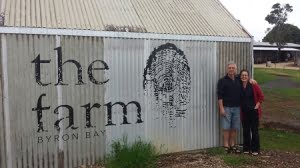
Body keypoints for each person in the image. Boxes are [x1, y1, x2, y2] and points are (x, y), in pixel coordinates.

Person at [217, 62, 242, 153]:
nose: (231, 69)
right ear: (227, 69)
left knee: (234, 127)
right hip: (226, 108)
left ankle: (232, 144)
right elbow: (220, 96)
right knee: (226, 127)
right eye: (230, 68)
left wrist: (252, 80)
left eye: (233, 68)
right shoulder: (222, 81)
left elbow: (247, 79)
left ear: (236, 69)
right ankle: (226, 145)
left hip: (237, 108)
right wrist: (221, 108)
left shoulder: (239, 79)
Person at [240, 69, 264, 156]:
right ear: (240, 76)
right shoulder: (239, 85)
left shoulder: (254, 85)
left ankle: (255, 149)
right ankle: (246, 148)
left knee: (254, 131)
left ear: (248, 76)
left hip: (254, 112)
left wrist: (256, 106)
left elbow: (261, 96)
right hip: (244, 112)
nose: (244, 76)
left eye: (245, 75)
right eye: (242, 75)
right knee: (246, 131)